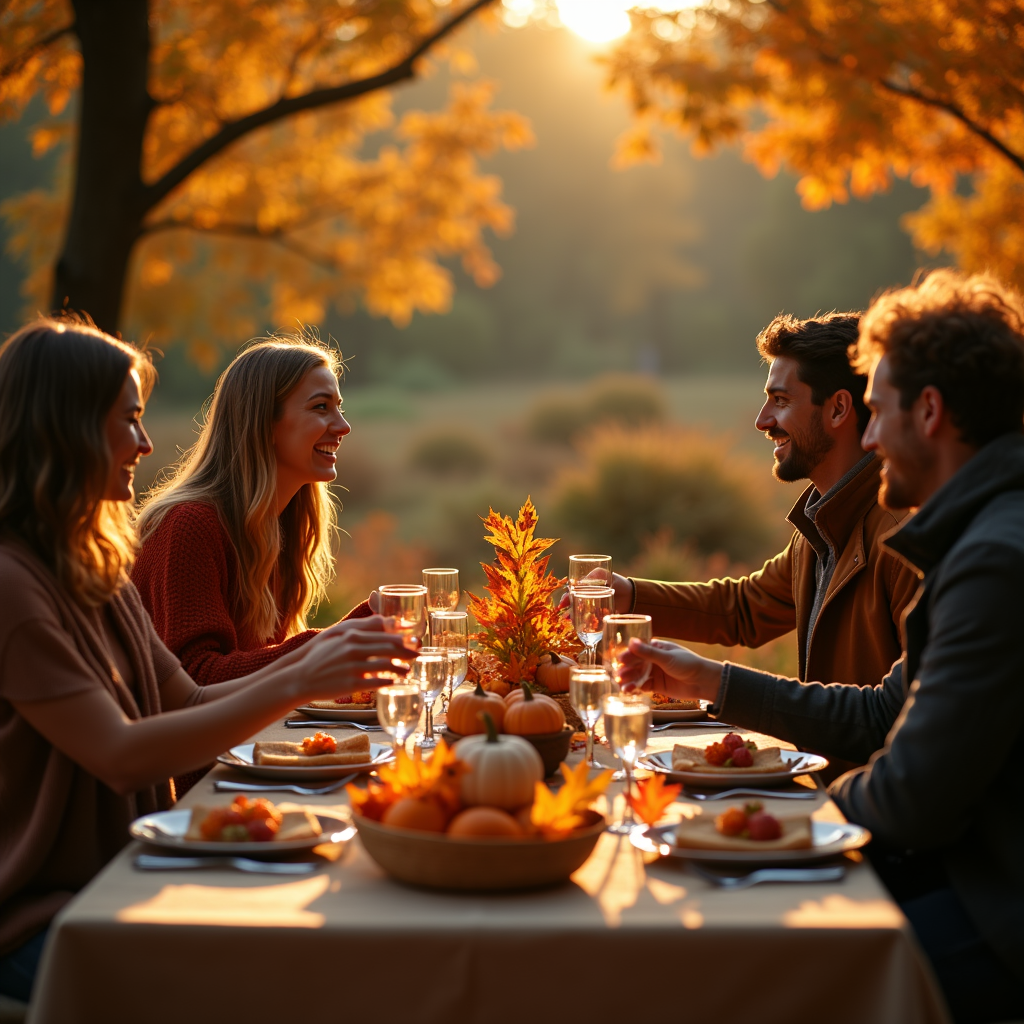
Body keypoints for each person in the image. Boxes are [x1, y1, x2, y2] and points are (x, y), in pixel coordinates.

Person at [622, 271, 1024, 1024]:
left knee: (754, 971)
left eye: (878, 413)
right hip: (960, 869)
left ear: (929, 413)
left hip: (993, 905)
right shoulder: (977, 537)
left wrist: (766, 821)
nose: (870, 440)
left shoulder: (993, 559)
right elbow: (883, 715)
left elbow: (910, 797)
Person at [0, 319, 415, 1003]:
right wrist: (311, 666)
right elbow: (124, 755)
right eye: (127, 421)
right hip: (44, 914)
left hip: (127, 868)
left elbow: (187, 699)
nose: (147, 442)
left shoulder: (91, 571)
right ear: (63, 427)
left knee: (318, 939)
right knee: (257, 983)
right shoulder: (16, 587)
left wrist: (320, 658)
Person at [607, 314, 919, 727]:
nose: (762, 420)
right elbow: (744, 609)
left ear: (839, 409)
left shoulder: (903, 540)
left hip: (855, 790)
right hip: (826, 785)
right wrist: (628, 596)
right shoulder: (820, 527)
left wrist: (715, 683)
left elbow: (899, 718)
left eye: (781, 400)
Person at [134, 335, 374, 690]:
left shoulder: (280, 526)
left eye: (339, 407)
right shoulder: (189, 526)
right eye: (321, 407)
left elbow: (261, 667)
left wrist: (371, 621)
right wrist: (340, 640)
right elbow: (196, 680)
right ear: (264, 423)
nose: (342, 426)